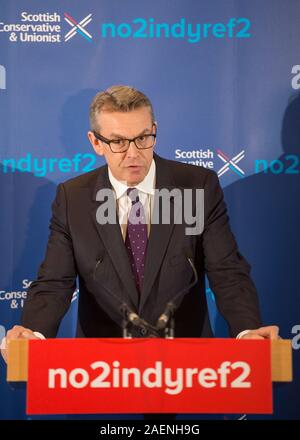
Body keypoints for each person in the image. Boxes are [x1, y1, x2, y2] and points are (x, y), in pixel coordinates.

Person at [1, 85, 279, 387]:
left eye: (143, 138)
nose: (133, 153)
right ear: (96, 142)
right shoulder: (73, 198)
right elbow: (55, 282)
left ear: (154, 130)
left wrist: (247, 330)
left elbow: (228, 272)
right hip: (99, 372)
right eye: (118, 141)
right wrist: (34, 333)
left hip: (189, 370)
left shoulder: (197, 186)